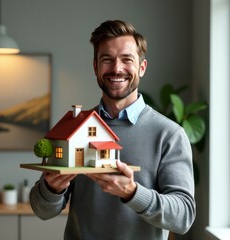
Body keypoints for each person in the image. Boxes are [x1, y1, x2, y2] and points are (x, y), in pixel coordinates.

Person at [30, 20, 196, 240]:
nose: (116, 68)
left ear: (142, 67)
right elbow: (42, 211)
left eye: (127, 59)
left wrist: (132, 193)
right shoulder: (76, 130)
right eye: (107, 59)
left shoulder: (170, 134)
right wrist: (52, 188)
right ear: (96, 67)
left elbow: (183, 217)